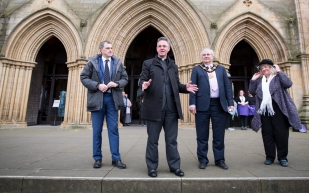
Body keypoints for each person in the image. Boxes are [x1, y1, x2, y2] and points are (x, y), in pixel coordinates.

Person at [139, 37, 198, 178]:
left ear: (169, 48)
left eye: (164, 46)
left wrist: (185, 87)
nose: (162, 48)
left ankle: (175, 166)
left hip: (171, 109)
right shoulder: (148, 64)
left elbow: (176, 85)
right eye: (159, 46)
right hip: (154, 109)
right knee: (152, 140)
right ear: (156, 48)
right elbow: (142, 79)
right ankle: (152, 167)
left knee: (172, 140)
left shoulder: (173, 66)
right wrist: (143, 85)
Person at [80, 40, 128, 169]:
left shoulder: (117, 62)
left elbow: (125, 78)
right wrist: (97, 85)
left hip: (112, 99)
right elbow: (83, 77)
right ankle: (97, 158)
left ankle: (116, 158)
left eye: (111, 48)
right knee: (97, 131)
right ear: (101, 49)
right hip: (97, 99)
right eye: (107, 48)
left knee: (113, 130)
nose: (110, 50)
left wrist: (117, 84)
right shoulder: (92, 62)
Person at [249, 59, 302, 167]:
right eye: (262, 67)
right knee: (267, 134)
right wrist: (253, 80)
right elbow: (252, 91)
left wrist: (279, 71)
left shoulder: (278, 78)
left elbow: (288, 83)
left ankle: (282, 157)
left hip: (278, 109)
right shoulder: (260, 81)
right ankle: (269, 157)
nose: (264, 69)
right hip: (265, 111)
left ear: (271, 67)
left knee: (281, 134)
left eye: (266, 67)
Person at [189, 48, 234, 170]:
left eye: (208, 54)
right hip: (202, 105)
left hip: (218, 104)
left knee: (219, 135)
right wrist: (192, 104)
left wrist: (230, 102)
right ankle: (203, 159)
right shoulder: (197, 69)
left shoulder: (221, 69)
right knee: (202, 134)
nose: (206, 56)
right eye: (204, 55)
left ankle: (219, 160)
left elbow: (227, 87)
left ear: (213, 56)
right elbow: (192, 87)